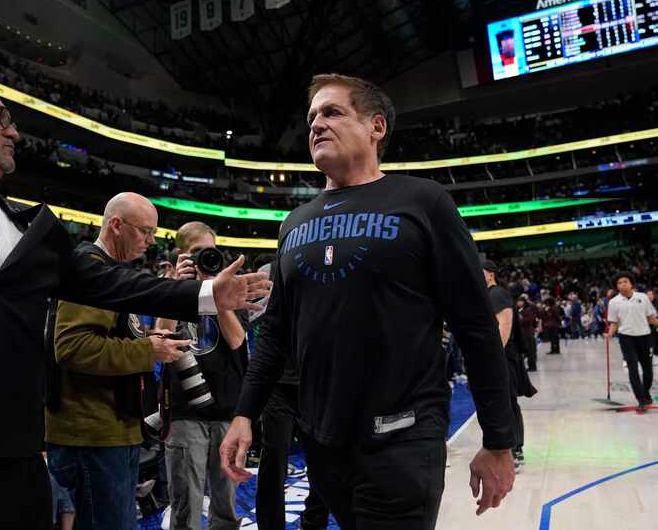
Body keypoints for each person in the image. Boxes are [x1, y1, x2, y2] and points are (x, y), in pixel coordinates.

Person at [0, 74, 270, 530]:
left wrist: (206, 294)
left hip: (5, 463)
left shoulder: (25, 227)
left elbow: (114, 284)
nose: (13, 132)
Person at [220, 73, 516, 530]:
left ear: (376, 127)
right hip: (323, 443)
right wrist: (244, 413)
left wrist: (498, 439)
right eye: (312, 116)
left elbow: (475, 326)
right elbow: (276, 333)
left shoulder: (424, 202)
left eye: (332, 112)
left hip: (402, 439)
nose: (316, 123)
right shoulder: (293, 222)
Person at [44, 193, 191, 530]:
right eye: (145, 231)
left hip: (111, 430)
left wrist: (149, 341)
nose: (151, 242)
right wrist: (147, 351)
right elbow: (71, 346)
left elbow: (111, 336)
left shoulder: (107, 271)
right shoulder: (88, 270)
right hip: (91, 435)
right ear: (116, 225)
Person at [155, 221, 250, 530]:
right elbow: (160, 337)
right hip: (184, 410)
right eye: (196, 253)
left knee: (226, 505)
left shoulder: (230, 289)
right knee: (186, 506)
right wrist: (179, 289)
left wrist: (215, 291)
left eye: (209, 251)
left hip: (227, 410)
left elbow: (237, 342)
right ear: (181, 256)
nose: (204, 259)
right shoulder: (165, 289)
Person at [252, 263, 329, 530]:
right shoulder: (267, 271)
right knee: (273, 461)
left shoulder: (327, 267)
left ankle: (314, 523)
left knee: (323, 464)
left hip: (315, 383)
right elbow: (256, 322)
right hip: (278, 384)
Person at [482, 261, 536, 469]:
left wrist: (493, 358)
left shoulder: (497, 294)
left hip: (503, 357)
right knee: (501, 402)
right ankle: (506, 448)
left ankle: (516, 450)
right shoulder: (488, 295)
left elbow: (503, 326)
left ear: (491, 275)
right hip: (497, 356)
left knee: (507, 403)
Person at [606, 272, 658, 410]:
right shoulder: (613, 302)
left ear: (631, 283)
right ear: (616, 286)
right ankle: (641, 399)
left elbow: (651, 318)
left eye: (625, 281)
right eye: (619, 283)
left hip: (645, 337)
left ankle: (645, 392)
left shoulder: (643, 298)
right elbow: (614, 322)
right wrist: (610, 334)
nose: (623, 284)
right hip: (626, 338)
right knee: (633, 368)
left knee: (648, 371)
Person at [517, 294, 539, 371]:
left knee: (530, 351)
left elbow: (529, 320)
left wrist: (520, 319)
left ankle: (532, 366)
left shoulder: (528, 310)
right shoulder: (520, 310)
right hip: (524, 333)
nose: (518, 303)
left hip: (528, 333)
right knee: (527, 351)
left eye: (520, 301)